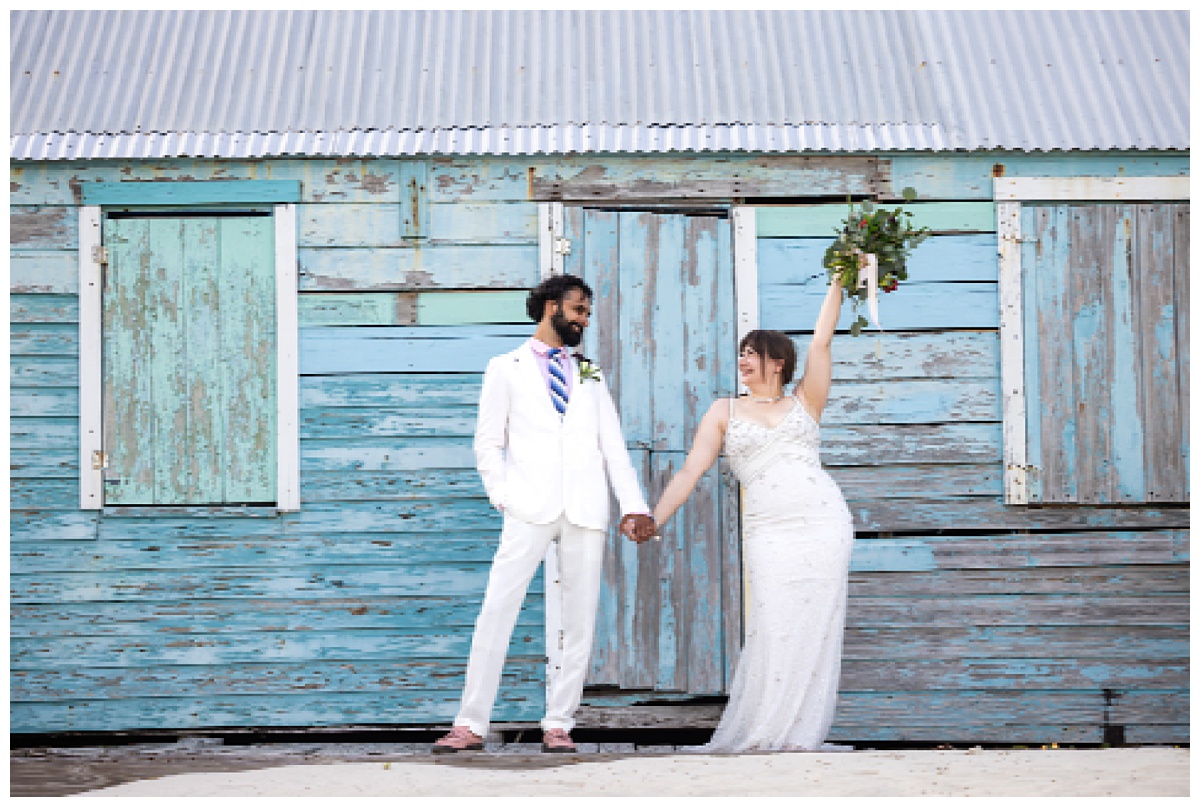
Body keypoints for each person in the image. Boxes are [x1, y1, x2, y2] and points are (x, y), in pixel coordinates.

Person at [433, 274, 658, 755]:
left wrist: (635, 505)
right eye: (578, 310)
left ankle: (559, 723)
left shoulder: (590, 372)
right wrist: (504, 497)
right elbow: (488, 443)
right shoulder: (505, 367)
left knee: (579, 621)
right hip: (528, 507)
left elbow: (612, 446)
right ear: (551, 306)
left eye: (588, 314)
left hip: (584, 509)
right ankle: (470, 723)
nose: (584, 320)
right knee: (497, 611)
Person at [651, 276, 854, 752]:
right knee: (774, 622)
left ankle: (800, 733)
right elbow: (690, 472)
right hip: (769, 532)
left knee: (814, 626)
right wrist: (655, 519)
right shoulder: (724, 410)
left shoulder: (806, 401)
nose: (741, 359)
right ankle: (765, 728)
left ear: (777, 362)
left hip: (823, 523)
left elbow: (822, 339)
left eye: (751, 352)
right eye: (740, 352)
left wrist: (840, 282)